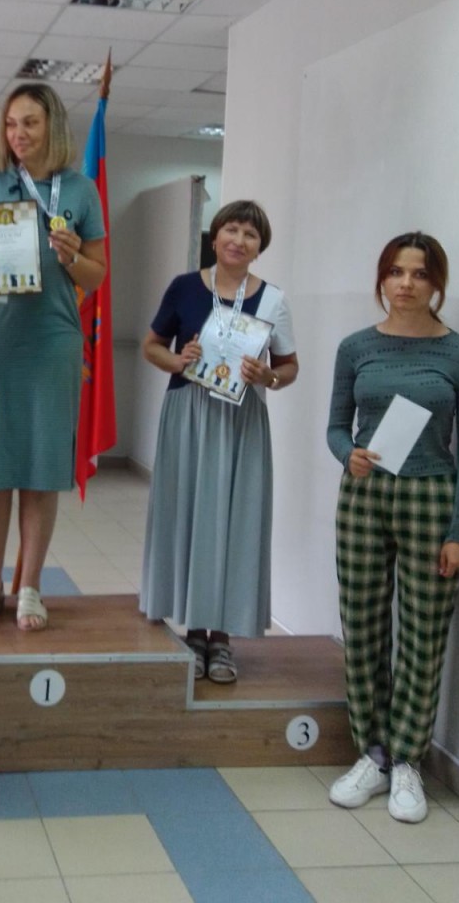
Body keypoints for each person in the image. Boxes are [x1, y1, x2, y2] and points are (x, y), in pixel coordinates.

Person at [326, 232, 459, 824]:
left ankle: (408, 759)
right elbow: (336, 426)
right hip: (364, 496)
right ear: (382, 278)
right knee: (363, 625)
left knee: (424, 634)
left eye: (419, 273)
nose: (406, 283)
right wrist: (347, 454)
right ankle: (372, 753)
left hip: (431, 499)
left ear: (436, 282)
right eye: (396, 271)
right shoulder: (355, 347)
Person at [0, 83, 106, 632]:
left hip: (50, 345)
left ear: (52, 127)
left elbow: (97, 275)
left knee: (41, 469)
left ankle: (31, 587)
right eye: (11, 124)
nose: (18, 134)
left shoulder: (80, 190)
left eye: (30, 123)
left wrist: (72, 257)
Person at [138, 201, 299, 683]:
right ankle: (193, 628)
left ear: (259, 247)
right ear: (215, 236)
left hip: (240, 420)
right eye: (231, 229)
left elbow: (289, 366)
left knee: (234, 519)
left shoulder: (273, 300)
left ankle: (222, 637)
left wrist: (268, 376)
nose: (239, 240)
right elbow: (151, 346)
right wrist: (177, 360)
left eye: (250, 234)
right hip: (188, 413)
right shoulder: (184, 287)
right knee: (189, 513)